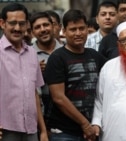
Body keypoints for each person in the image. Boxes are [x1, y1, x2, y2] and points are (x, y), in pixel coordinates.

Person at [44, 9, 107, 141]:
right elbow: (59, 98)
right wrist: (84, 123)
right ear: (64, 32)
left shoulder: (95, 56)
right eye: (73, 29)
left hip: (90, 131)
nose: (78, 33)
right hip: (64, 132)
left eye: (81, 28)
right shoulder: (57, 58)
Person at [0, 3, 48, 141]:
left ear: (27, 24)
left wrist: (43, 131)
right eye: (12, 23)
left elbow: (34, 94)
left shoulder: (32, 53)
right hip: (6, 130)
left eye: (21, 23)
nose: (17, 28)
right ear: (2, 23)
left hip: (31, 129)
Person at [30, 11, 62, 121]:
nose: (43, 29)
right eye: (37, 27)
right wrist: (34, 72)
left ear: (53, 27)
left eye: (46, 25)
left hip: (68, 117)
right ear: (32, 32)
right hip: (40, 118)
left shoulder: (67, 51)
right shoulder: (27, 55)